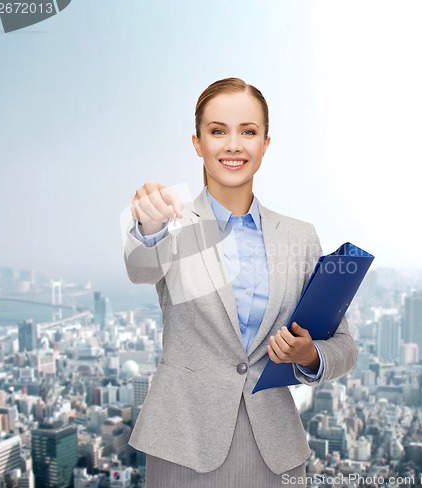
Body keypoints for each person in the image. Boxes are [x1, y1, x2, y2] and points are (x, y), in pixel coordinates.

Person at [124, 77, 358, 487]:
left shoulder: (299, 236)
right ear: (197, 143)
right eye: (218, 131)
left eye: (248, 132)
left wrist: (307, 355)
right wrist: (146, 224)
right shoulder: (170, 223)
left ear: (265, 143)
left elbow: (344, 346)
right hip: (183, 444)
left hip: (275, 448)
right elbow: (141, 269)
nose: (233, 145)